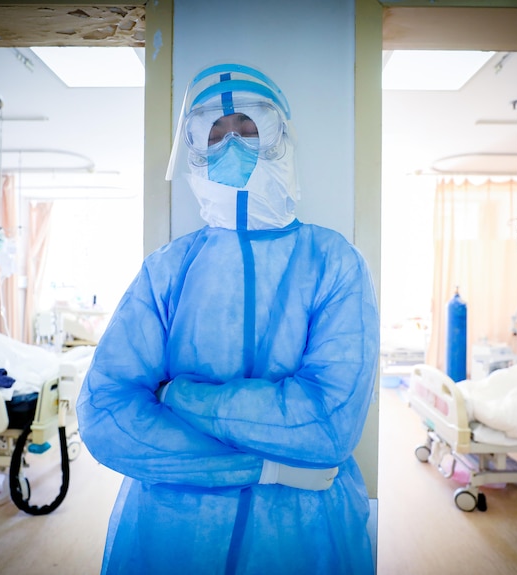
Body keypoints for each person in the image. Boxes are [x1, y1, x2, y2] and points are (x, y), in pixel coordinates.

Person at [77, 63, 379, 574]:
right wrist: (267, 467)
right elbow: (106, 416)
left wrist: (176, 396)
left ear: (280, 137)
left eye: (247, 128)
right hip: (172, 539)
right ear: (194, 149)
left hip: (304, 539)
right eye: (216, 133)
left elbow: (328, 423)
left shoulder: (333, 260)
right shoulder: (168, 269)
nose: (233, 144)